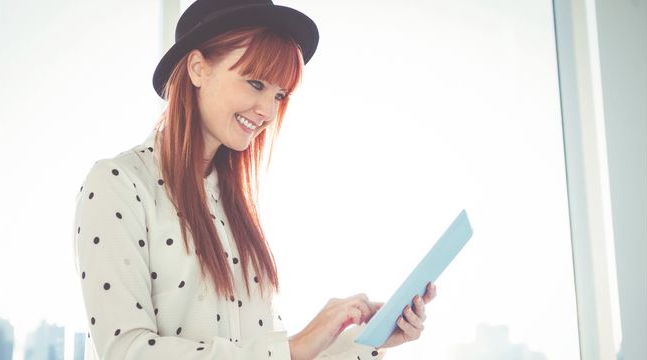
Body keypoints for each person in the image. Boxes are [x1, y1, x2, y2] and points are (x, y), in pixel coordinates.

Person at [72, 0, 435, 358]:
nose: (267, 111)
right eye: (255, 83)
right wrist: (292, 347)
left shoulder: (235, 207)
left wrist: (367, 339)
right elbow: (125, 351)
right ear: (198, 68)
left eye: (279, 94)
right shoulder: (117, 184)